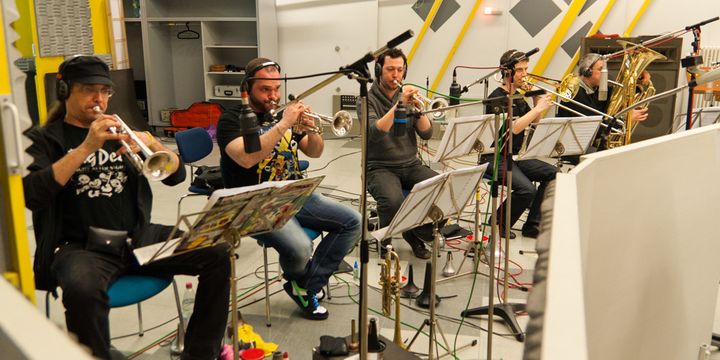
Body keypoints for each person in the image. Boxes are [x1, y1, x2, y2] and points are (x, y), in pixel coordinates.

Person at [23, 56, 230, 360]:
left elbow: (176, 178)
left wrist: (155, 145)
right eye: (90, 90)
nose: (99, 99)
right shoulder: (42, 139)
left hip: (137, 236)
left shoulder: (122, 131)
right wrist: (85, 148)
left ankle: (201, 353)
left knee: (217, 251)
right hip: (81, 246)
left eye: (105, 91)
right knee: (82, 291)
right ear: (66, 90)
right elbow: (32, 195)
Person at [216, 57, 361, 321]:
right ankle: (303, 283)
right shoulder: (230, 120)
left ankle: (305, 285)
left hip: (294, 193)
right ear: (247, 90)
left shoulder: (280, 115)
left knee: (353, 221)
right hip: (255, 201)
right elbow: (247, 158)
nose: (273, 96)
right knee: (301, 247)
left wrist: (311, 129)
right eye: (265, 90)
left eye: (276, 89)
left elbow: (315, 152)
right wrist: (282, 124)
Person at [363, 48, 441, 259]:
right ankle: (385, 240)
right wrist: (399, 105)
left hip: (410, 164)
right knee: (393, 200)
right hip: (379, 167)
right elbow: (375, 133)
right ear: (379, 70)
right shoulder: (367, 99)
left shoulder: (406, 96)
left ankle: (415, 233)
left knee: (442, 187)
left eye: (399, 70)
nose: (395, 75)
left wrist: (419, 110)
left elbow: (427, 133)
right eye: (390, 69)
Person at [481, 49, 557, 239]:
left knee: (553, 174)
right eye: (520, 70)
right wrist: (538, 108)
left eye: (526, 69)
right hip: (495, 156)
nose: (525, 75)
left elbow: (535, 123)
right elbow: (513, 128)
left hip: (515, 156)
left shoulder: (519, 97)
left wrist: (536, 100)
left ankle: (532, 225)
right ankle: (498, 221)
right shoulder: (497, 97)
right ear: (507, 72)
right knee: (527, 189)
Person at [556, 53, 648, 151]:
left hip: (590, 145)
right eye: (601, 70)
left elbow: (624, 93)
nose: (605, 74)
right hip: (572, 146)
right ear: (587, 71)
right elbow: (595, 128)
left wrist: (639, 80)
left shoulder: (599, 89)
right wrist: (626, 120)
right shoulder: (575, 94)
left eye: (605, 70)